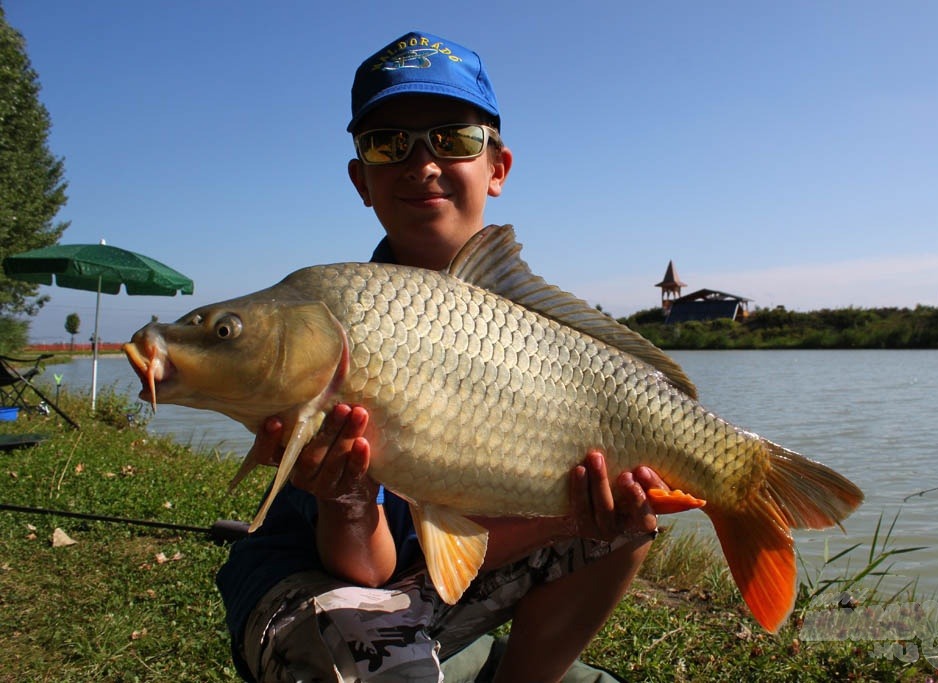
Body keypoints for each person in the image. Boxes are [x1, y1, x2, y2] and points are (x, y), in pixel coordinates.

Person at [217, 31, 679, 682]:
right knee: (363, 651)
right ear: (361, 179)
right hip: (323, 574)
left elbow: (465, 541)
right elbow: (367, 569)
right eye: (388, 144)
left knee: (627, 518)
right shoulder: (327, 324)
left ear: (498, 167)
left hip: (442, 570)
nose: (421, 162)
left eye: (452, 138)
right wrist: (347, 499)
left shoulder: (526, 330)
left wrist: (578, 516)